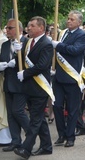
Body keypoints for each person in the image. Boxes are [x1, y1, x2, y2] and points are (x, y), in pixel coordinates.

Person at [14, 16, 54, 159]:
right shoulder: (28, 41)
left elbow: (42, 66)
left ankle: (26, 148)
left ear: (41, 28)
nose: (28, 28)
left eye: (32, 25)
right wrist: (16, 51)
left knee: (35, 120)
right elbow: (20, 59)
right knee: (39, 119)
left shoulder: (46, 44)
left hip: (39, 87)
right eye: (28, 25)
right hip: (29, 87)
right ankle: (46, 146)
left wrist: (25, 73)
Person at [51, 11, 85, 148]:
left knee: (73, 110)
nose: (68, 21)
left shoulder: (82, 35)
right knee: (57, 106)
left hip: (72, 78)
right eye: (68, 19)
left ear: (79, 22)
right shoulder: (62, 33)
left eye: (72, 19)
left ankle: (70, 136)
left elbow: (75, 50)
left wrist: (58, 46)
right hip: (59, 77)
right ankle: (61, 134)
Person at [0, 18, 29, 152]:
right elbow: (1, 62)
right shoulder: (4, 45)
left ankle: (31, 134)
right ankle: (15, 141)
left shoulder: (26, 42)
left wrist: (18, 57)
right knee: (10, 114)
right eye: (7, 28)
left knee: (18, 111)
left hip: (21, 83)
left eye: (10, 28)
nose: (7, 30)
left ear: (19, 30)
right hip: (8, 82)